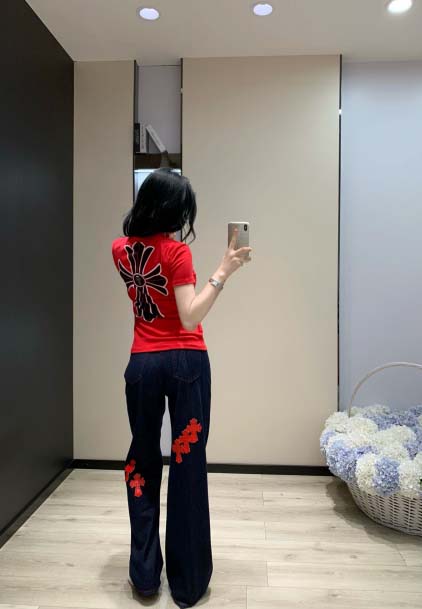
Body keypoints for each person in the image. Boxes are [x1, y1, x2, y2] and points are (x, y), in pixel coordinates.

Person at [111, 168, 252, 608]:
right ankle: (188, 584)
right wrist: (223, 271)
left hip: (142, 365)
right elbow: (190, 316)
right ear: (171, 210)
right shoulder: (176, 253)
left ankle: (144, 575)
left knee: (141, 461)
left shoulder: (119, 249)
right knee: (187, 464)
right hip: (186, 363)